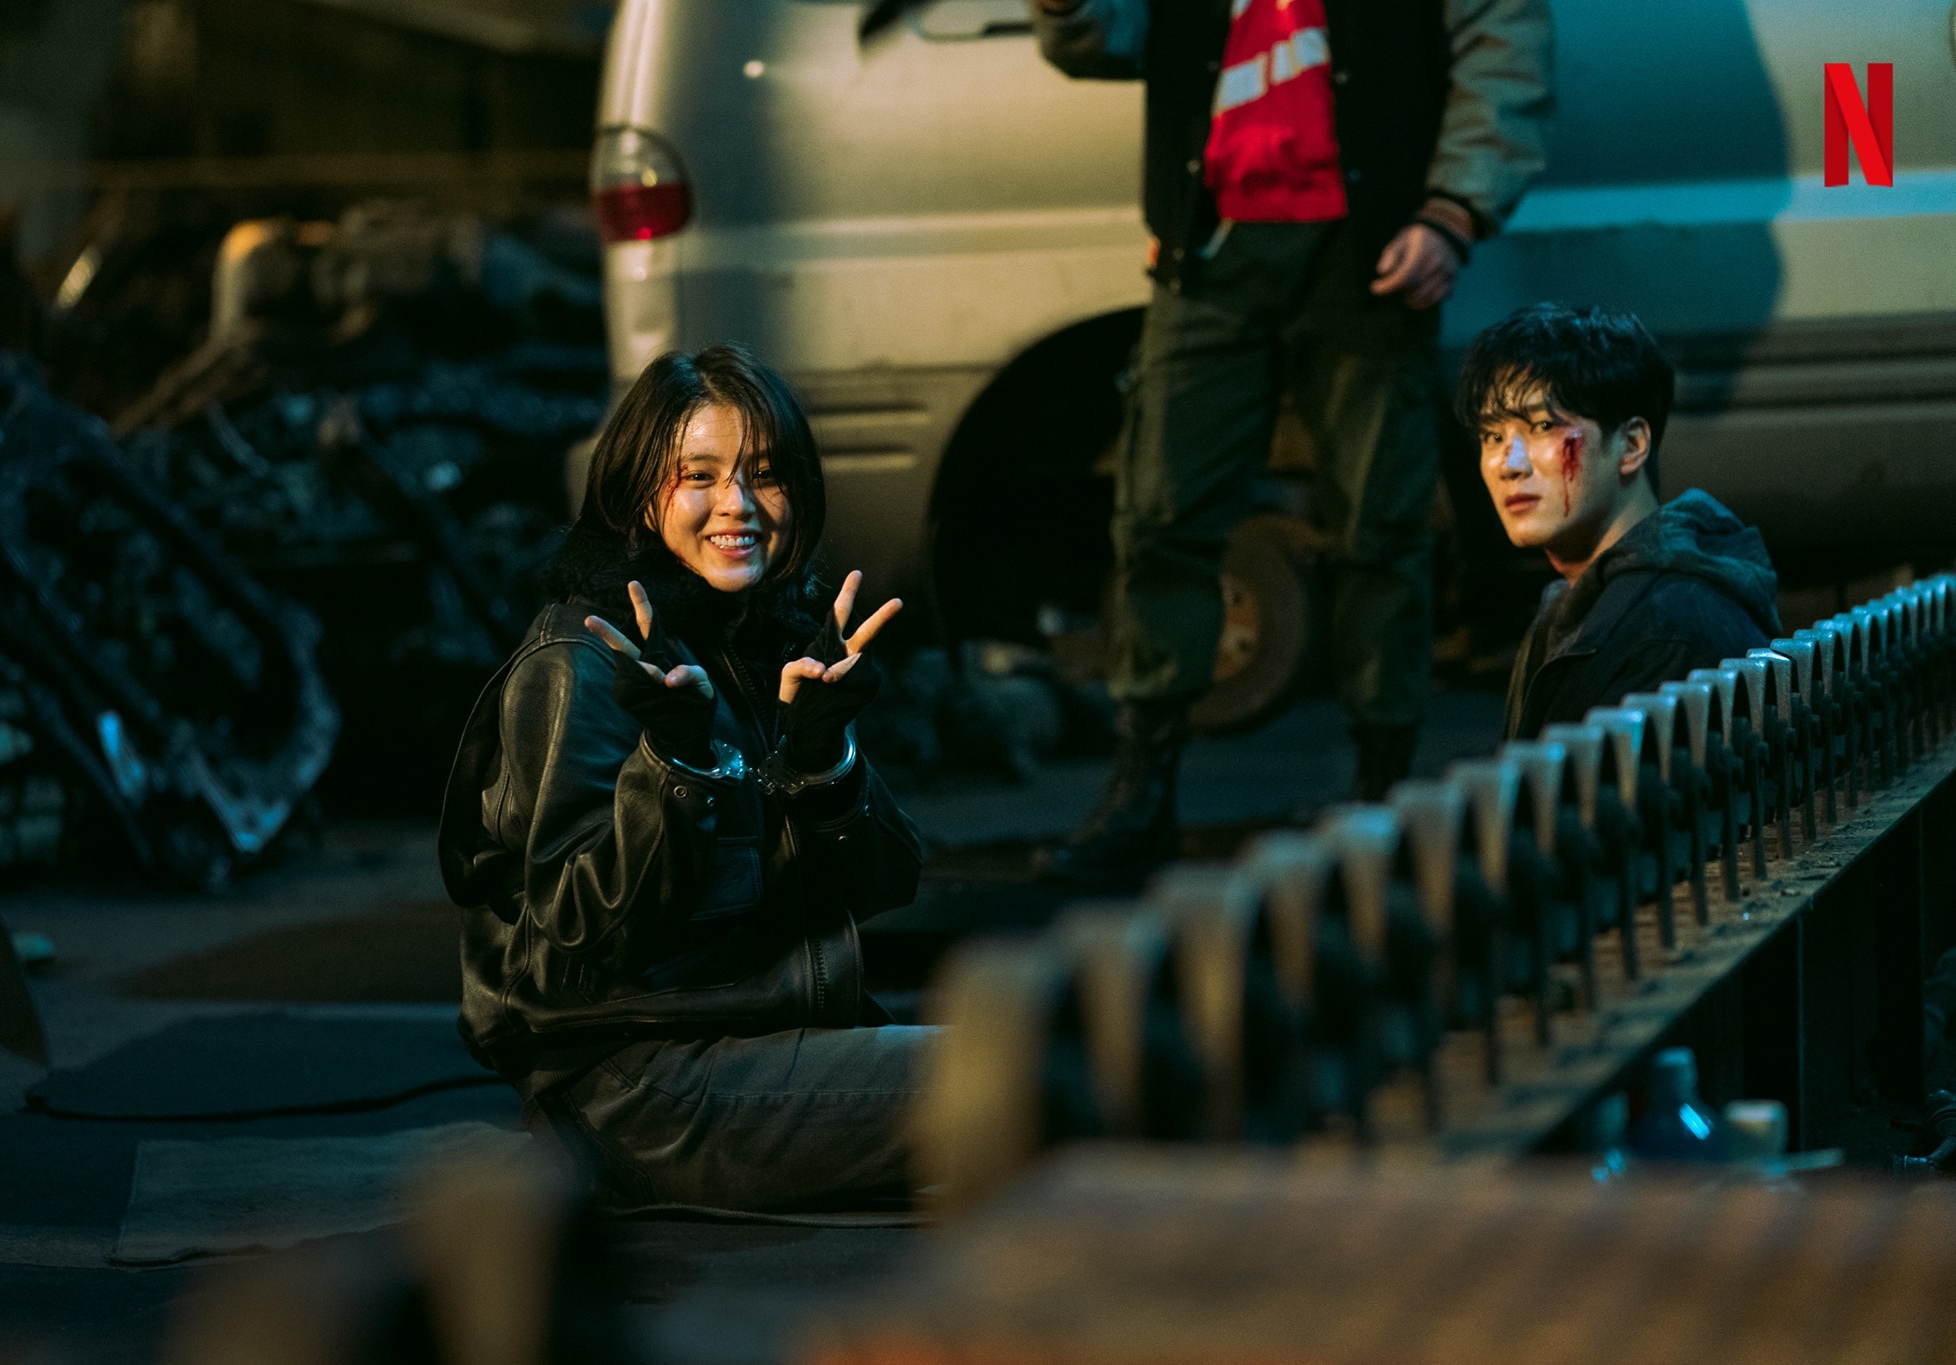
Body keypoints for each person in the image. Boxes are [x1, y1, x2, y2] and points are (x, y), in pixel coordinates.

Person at [1028, 0, 1554, 888]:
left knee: (1381, 527)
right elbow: (1105, 33)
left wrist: (1454, 209)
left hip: (1366, 243)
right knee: (1160, 516)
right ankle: (1142, 794)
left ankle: (1385, 793)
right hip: (1209, 240)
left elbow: (1504, 35)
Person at [438, 344, 928, 1212]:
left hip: (764, 1043)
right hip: (637, 1088)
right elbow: (582, 934)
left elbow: (888, 882)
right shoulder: (584, 662)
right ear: (639, 494)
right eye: (698, 476)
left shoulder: (761, 643)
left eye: (765, 474)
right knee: (1027, 1072)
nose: (738, 503)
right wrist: (677, 762)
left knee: (1060, 1037)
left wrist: (823, 754)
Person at [1455, 303, 1783, 739]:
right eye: (1493, 436)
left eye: (1543, 426)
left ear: (1631, 445)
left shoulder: (1669, 628)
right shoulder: (1581, 606)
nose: (1508, 464)